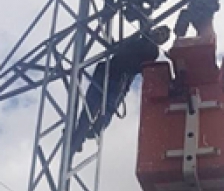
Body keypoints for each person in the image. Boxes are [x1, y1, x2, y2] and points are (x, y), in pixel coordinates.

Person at [71, 25, 171, 153]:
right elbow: (119, 46)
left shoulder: (152, 50)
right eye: (159, 30)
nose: (158, 33)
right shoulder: (138, 39)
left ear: (162, 41)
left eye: (162, 34)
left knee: (106, 109)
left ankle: (90, 131)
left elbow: (138, 63)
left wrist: (144, 30)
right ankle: (79, 136)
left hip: (119, 79)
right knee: (91, 105)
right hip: (107, 71)